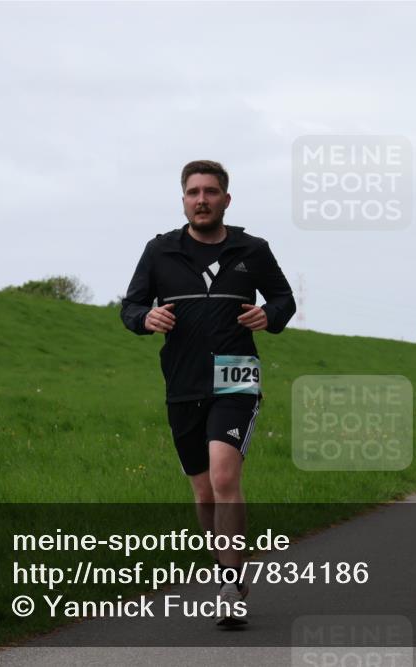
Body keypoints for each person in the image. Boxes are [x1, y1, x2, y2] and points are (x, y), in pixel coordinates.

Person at [120, 160, 296, 626]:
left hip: (236, 378)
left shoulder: (251, 249)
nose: (202, 200)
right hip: (183, 383)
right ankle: (225, 567)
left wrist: (268, 316)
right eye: (194, 192)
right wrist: (145, 318)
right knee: (203, 493)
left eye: (211, 192)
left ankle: (231, 586)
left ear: (226, 199)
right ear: (183, 200)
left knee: (223, 476)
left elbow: (284, 299)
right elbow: (131, 305)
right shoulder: (160, 251)